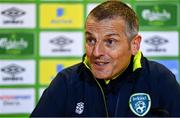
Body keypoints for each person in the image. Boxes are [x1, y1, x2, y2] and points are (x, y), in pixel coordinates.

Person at [30, 0, 180, 117]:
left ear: (134, 44)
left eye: (110, 42)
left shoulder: (160, 79)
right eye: (91, 40)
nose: (96, 52)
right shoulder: (66, 82)